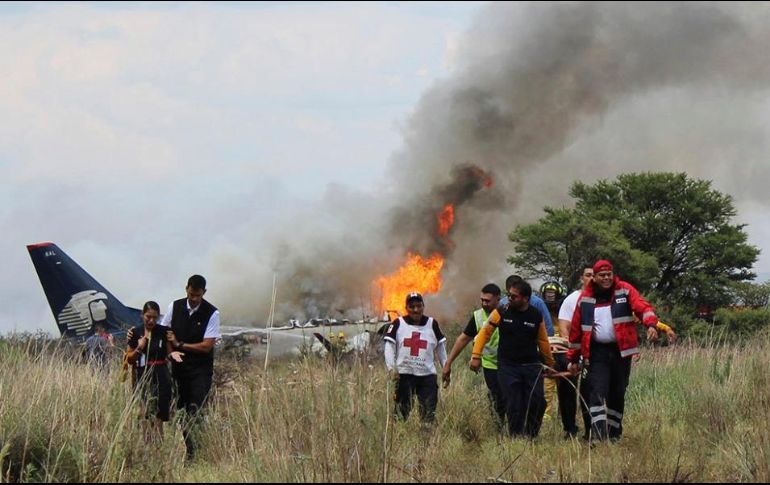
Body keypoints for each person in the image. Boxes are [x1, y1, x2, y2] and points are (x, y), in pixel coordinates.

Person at [566, 260, 659, 442]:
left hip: (621, 352)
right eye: (602, 275)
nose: (606, 278)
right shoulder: (585, 299)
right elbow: (576, 332)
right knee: (597, 392)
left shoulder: (624, 290)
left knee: (617, 392)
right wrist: (572, 359)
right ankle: (598, 436)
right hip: (596, 353)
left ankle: (614, 434)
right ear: (595, 277)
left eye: (609, 274)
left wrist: (651, 325)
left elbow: (643, 307)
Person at [470, 279, 555, 439]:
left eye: (513, 297)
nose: (509, 299)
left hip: (531, 366)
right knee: (514, 404)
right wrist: (476, 356)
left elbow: (543, 341)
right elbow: (484, 333)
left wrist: (550, 364)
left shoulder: (536, 315)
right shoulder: (502, 311)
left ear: (525, 299)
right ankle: (515, 438)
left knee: (538, 403)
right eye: (509, 295)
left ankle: (531, 436)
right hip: (508, 366)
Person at [163, 274, 221, 459]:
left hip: (200, 371)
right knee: (181, 409)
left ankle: (195, 453)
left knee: (196, 410)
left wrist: (180, 345)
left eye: (198, 296)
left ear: (204, 292)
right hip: (179, 370)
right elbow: (165, 332)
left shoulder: (212, 313)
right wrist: (171, 351)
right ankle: (189, 449)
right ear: (186, 289)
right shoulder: (175, 306)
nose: (194, 299)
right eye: (191, 294)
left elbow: (206, 346)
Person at [442, 284, 505, 427]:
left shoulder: (507, 313)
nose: (484, 303)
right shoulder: (478, 316)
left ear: (498, 299)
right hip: (490, 364)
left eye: (487, 301)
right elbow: (463, 339)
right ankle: (500, 429)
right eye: (482, 300)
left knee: (511, 397)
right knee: (496, 398)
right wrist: (448, 363)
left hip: (509, 364)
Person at [384, 292, 447, 423]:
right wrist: (391, 368)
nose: (416, 310)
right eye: (412, 307)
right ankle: (399, 439)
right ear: (406, 308)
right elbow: (389, 346)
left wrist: (445, 367)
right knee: (401, 414)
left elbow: (441, 347)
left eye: (419, 306)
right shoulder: (398, 323)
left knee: (428, 413)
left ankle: (426, 440)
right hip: (404, 375)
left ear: (423, 306)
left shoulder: (432, 324)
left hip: (427, 376)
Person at [125, 301, 183, 441]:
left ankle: (158, 447)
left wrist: (173, 355)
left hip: (161, 374)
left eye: (155, 317)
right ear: (142, 315)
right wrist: (139, 348)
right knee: (144, 412)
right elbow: (130, 358)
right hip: (142, 375)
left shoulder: (164, 331)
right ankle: (146, 446)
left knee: (158, 414)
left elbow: (169, 352)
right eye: (148, 317)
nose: (151, 320)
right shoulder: (135, 332)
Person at [557, 266, 595, 439]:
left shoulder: (604, 298)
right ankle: (569, 428)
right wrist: (574, 352)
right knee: (567, 388)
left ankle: (591, 430)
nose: (592, 279)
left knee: (589, 391)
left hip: (596, 353)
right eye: (588, 275)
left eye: (595, 275)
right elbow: (564, 326)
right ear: (582, 278)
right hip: (573, 351)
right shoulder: (572, 299)